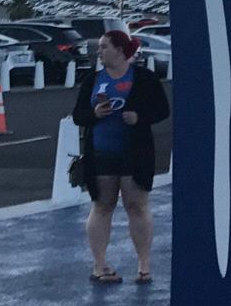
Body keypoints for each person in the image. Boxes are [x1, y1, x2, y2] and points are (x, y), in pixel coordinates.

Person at [72, 30, 171, 284]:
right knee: (102, 206)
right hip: (102, 152)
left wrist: (139, 117)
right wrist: (94, 113)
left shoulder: (144, 78)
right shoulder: (93, 80)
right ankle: (100, 265)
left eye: (104, 47)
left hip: (134, 152)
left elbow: (162, 109)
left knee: (136, 206)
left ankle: (144, 264)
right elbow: (78, 115)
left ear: (119, 49)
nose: (100, 51)